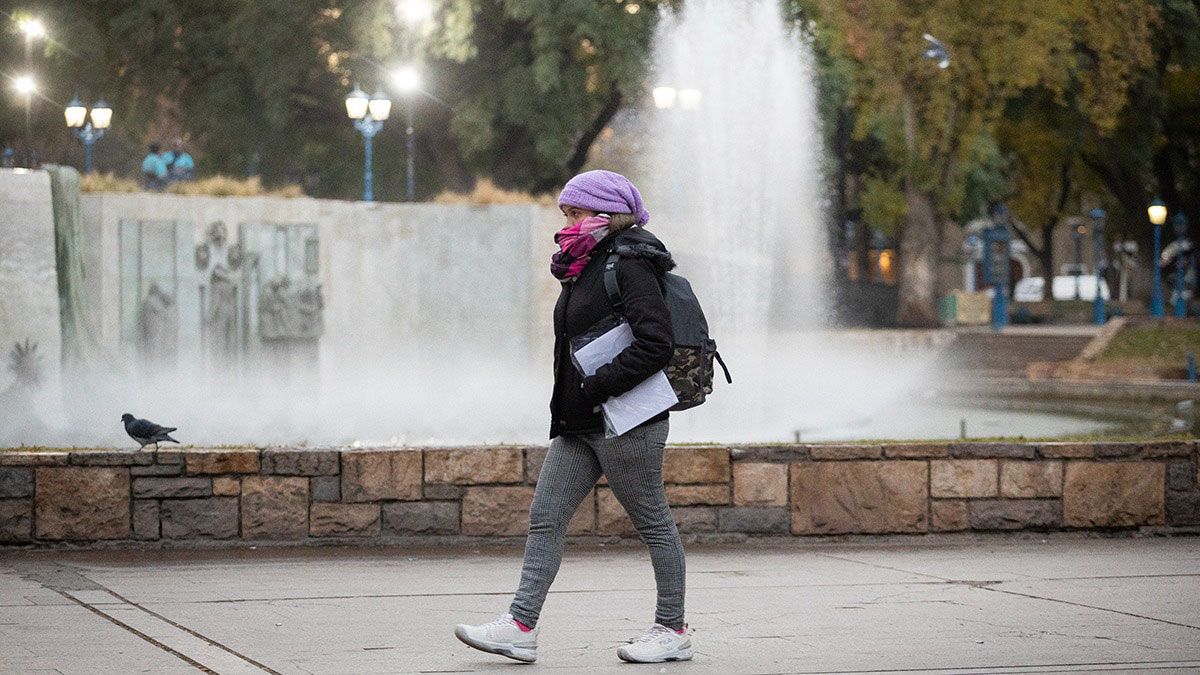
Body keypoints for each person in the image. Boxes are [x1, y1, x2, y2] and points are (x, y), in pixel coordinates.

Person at [453, 170, 692, 664]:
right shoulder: (584, 264)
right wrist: (574, 401)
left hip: (627, 424)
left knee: (653, 525)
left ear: (606, 214)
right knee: (546, 519)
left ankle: (673, 629)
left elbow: (656, 344)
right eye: (565, 213)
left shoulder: (629, 262)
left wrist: (598, 385)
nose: (567, 222)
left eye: (576, 213)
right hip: (580, 424)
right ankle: (520, 626)